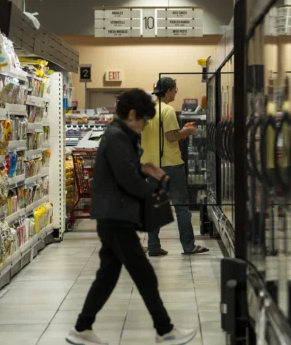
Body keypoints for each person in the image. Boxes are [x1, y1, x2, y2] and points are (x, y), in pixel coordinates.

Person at [66, 89, 197, 345]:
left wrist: (144, 167)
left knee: (108, 275)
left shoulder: (120, 135)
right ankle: (165, 330)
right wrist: (152, 192)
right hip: (115, 217)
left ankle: (81, 328)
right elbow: (125, 178)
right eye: (144, 121)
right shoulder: (116, 137)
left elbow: (125, 168)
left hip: (113, 216)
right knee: (144, 274)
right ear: (133, 114)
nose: (144, 126)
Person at [141, 77, 209, 256]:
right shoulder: (168, 110)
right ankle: (188, 246)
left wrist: (181, 130)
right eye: (175, 90)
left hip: (151, 165)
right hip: (170, 164)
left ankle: (154, 247)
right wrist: (187, 131)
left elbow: (159, 135)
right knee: (181, 206)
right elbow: (171, 136)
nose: (176, 93)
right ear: (169, 90)